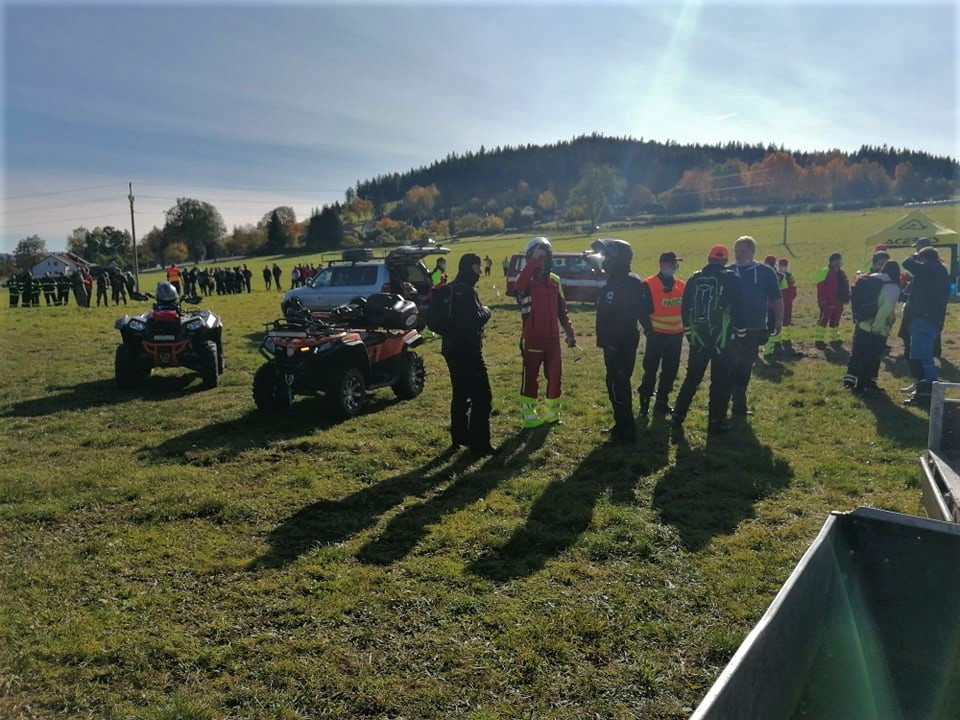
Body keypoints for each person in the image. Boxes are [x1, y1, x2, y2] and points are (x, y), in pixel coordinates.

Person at [671, 245, 741, 434]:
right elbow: (739, 308)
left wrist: (689, 333)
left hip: (698, 339)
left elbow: (684, 308)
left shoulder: (694, 279)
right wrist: (739, 334)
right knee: (720, 381)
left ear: (709, 259)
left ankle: (677, 417)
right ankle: (716, 421)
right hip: (722, 340)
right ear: (725, 261)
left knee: (692, 379)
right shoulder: (732, 279)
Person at [515, 237, 576, 428]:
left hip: (553, 340)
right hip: (533, 339)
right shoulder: (526, 280)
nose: (543, 261)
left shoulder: (554, 281)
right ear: (530, 258)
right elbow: (518, 289)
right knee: (531, 378)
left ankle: (552, 415)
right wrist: (533, 261)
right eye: (539, 257)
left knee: (555, 377)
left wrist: (569, 332)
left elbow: (562, 310)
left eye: (545, 257)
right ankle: (529, 417)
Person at [440, 253, 496, 455]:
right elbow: (475, 319)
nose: (479, 272)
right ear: (468, 268)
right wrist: (486, 311)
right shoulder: (466, 292)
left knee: (461, 393)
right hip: (468, 350)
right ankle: (480, 444)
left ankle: (460, 436)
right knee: (483, 397)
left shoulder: (451, 288)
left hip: (450, 348)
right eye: (476, 268)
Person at [594, 238, 645, 444]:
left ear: (619, 260)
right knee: (613, 382)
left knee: (619, 383)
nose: (605, 261)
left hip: (621, 343)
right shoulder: (615, 281)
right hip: (612, 343)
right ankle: (620, 423)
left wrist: (614, 342)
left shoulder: (630, 283)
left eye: (608, 257)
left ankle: (627, 431)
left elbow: (625, 317)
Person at [730, 236, 782, 415]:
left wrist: (779, 320)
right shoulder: (729, 271)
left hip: (754, 328)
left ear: (752, 252)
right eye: (736, 251)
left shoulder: (765, 272)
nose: (738, 255)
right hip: (730, 329)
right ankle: (723, 402)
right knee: (730, 364)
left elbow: (777, 297)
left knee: (745, 365)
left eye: (742, 251)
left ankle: (739, 403)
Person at [637, 251, 685, 416]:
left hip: (676, 336)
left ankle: (662, 402)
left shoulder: (681, 285)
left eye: (675, 263)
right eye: (671, 263)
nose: (674, 266)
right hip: (657, 335)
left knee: (670, 371)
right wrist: (649, 330)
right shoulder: (648, 284)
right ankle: (644, 403)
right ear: (662, 264)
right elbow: (642, 311)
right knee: (650, 370)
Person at [901, 246, 950, 406]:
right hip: (931, 319)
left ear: (924, 259)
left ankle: (929, 390)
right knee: (920, 354)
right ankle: (924, 389)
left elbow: (906, 263)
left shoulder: (930, 268)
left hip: (924, 319)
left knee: (922, 356)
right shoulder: (940, 270)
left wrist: (914, 257)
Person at [844, 260, 901, 394]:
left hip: (863, 322)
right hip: (876, 328)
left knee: (858, 352)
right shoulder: (893, 288)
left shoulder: (871, 278)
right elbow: (885, 309)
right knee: (872, 356)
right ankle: (865, 384)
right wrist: (877, 327)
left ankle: (850, 380)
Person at [815, 253, 849, 348]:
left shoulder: (841, 272)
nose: (841, 262)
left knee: (836, 320)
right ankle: (819, 340)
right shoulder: (825, 271)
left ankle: (834, 338)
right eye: (839, 260)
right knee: (824, 320)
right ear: (834, 261)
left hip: (839, 301)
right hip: (828, 302)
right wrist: (822, 300)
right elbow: (820, 287)